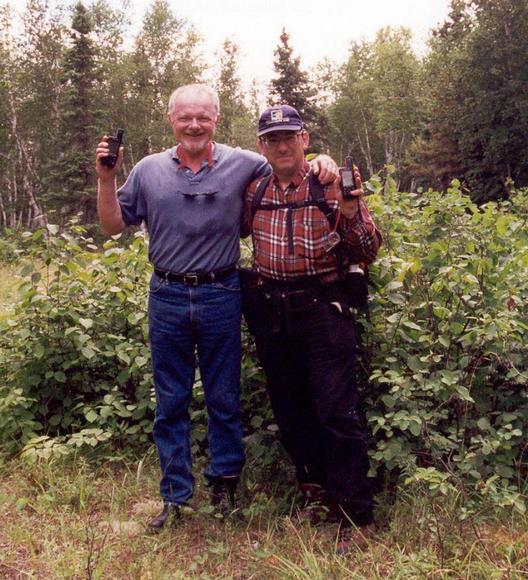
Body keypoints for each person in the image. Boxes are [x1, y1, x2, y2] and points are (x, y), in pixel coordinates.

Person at [95, 85, 338, 531]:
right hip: (166, 295)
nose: (194, 125)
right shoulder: (148, 171)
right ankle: (175, 497)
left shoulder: (245, 163)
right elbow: (111, 226)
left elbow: (290, 163)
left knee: (223, 397)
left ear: (216, 120)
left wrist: (324, 161)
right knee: (171, 400)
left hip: (222, 292)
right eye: (185, 117)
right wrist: (106, 178)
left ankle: (225, 485)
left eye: (203, 118)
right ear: (172, 120)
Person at [241, 105, 382, 553]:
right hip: (271, 308)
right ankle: (314, 493)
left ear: (305, 139)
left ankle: (354, 515)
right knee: (290, 409)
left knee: (336, 412)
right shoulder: (254, 189)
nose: (281, 146)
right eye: (271, 139)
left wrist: (352, 206)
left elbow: (369, 249)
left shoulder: (330, 183)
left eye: (289, 137)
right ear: (261, 146)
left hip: (323, 307)